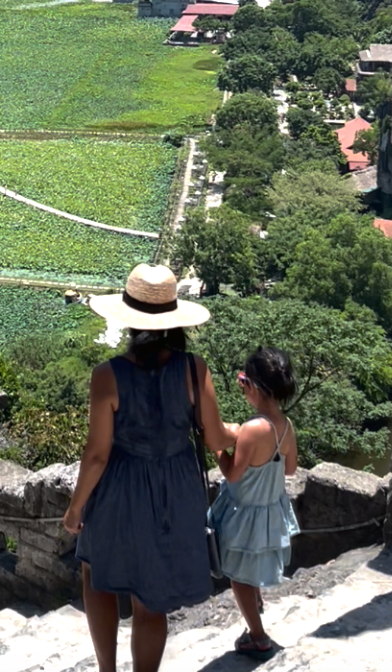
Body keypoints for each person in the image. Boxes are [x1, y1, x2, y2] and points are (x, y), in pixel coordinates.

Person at [63, 264, 238, 672]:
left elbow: (97, 455)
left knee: (97, 574)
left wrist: (75, 509)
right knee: (151, 597)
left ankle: (107, 669)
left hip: (119, 488)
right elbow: (214, 439)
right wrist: (253, 431)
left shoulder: (108, 376)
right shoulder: (195, 370)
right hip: (176, 491)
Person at [208, 347, 300, 660]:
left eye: (243, 381)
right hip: (269, 510)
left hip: (242, 513)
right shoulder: (286, 426)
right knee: (250, 565)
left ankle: (257, 637)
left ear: (256, 388)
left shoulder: (251, 429)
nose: (242, 387)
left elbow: (233, 475)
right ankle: (256, 603)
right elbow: (289, 469)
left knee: (237, 574)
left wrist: (218, 450)